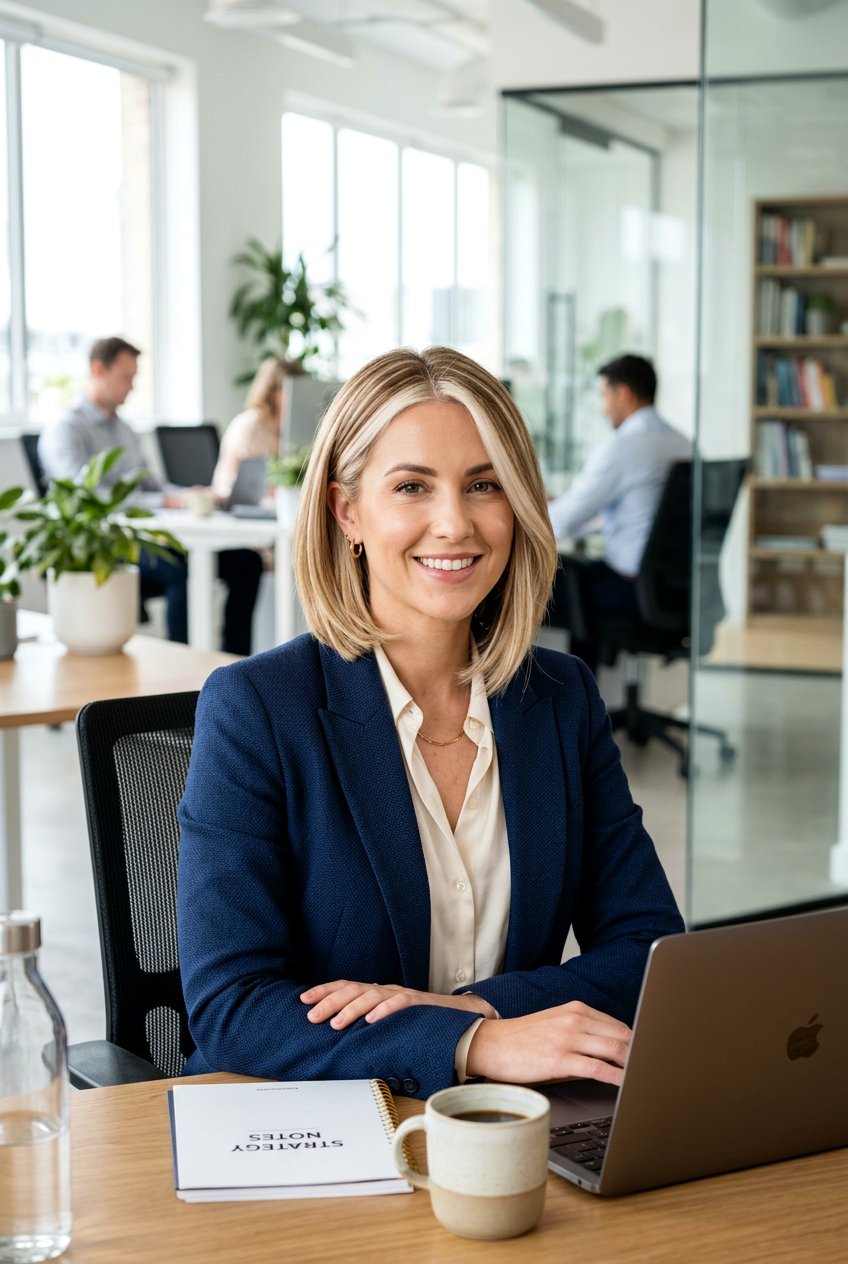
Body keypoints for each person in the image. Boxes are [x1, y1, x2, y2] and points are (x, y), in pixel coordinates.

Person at [177, 346, 684, 1099]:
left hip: (506, 1125)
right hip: (318, 1137)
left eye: (484, 485)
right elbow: (233, 1009)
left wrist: (479, 1016)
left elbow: (649, 950)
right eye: (412, 486)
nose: (455, 524)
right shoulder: (256, 709)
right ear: (347, 511)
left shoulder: (560, 698)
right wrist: (472, 1044)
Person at [38, 336, 263, 656]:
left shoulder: (124, 430)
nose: (131, 387)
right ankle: (182, 669)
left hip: (151, 536)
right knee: (179, 569)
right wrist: (162, 503)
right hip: (108, 545)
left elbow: (153, 487)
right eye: (125, 378)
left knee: (246, 561)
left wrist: (186, 495)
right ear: (98, 370)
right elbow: (90, 503)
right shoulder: (66, 429)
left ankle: (238, 662)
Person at [548, 354, 691, 673]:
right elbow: (641, 516)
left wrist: (541, 505)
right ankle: (589, 702)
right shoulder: (684, 444)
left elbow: (559, 523)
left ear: (623, 394)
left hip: (630, 592)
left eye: (604, 396)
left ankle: (577, 708)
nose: (604, 408)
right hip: (676, 592)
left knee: (549, 582)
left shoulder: (624, 446)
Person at [211, 356, 298, 501]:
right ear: (273, 392)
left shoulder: (287, 427)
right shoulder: (250, 425)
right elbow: (253, 486)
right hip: (237, 507)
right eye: (289, 389)